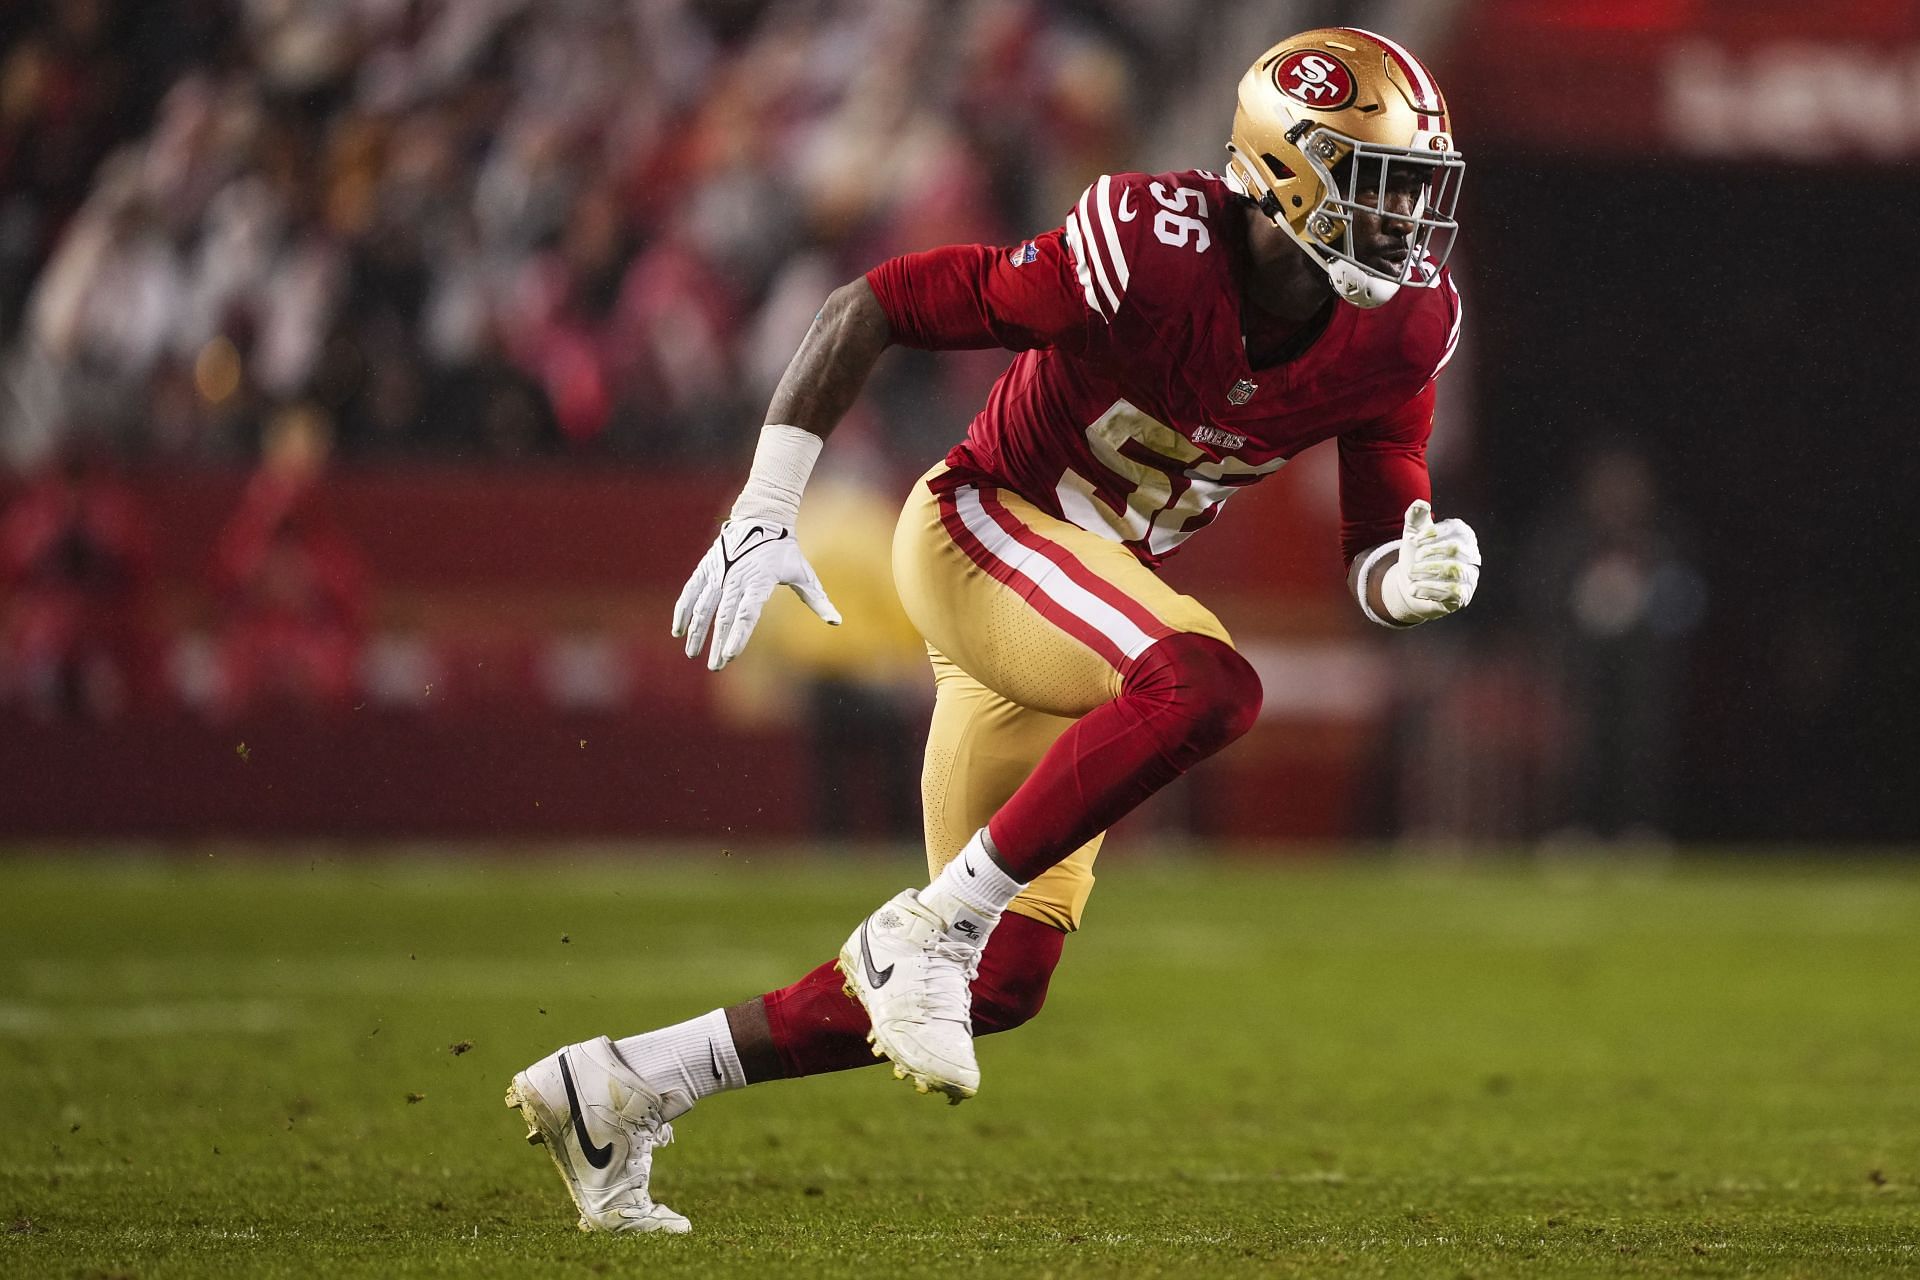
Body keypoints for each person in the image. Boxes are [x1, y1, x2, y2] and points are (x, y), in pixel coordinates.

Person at [507, 28, 1482, 1235]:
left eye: (1416, 191)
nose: (1404, 222)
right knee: (1208, 684)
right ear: (1285, 173)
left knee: (1000, 986)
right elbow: (879, 300)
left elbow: (1382, 511)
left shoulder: (1403, 323)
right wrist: (766, 506)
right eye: (1376, 183)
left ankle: (620, 1085)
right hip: (985, 527)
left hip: (1073, 599)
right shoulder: (1150, 245)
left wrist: (1405, 575)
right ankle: (927, 921)